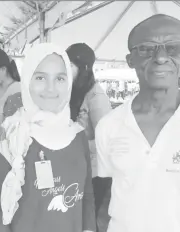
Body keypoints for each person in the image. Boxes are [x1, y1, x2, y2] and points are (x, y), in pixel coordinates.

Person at [95, 14, 180, 232]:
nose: (161, 58)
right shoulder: (109, 125)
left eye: (173, 48)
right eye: (147, 48)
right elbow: (107, 191)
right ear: (130, 59)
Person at [0, 43, 96, 232]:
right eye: (40, 77)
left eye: (60, 79)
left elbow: (86, 195)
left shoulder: (77, 135)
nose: (50, 88)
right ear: (27, 79)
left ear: (69, 82)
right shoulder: (10, 136)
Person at [66, 43, 112, 218]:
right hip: (77, 168)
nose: (65, 70)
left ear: (84, 68)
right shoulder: (75, 92)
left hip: (94, 174)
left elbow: (106, 143)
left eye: (70, 65)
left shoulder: (96, 98)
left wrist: (75, 144)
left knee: (87, 219)